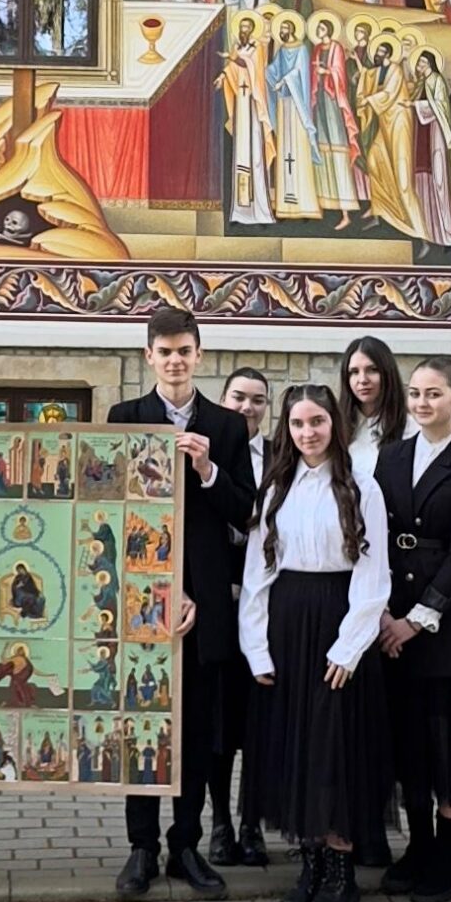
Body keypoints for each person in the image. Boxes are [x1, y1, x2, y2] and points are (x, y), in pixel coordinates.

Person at [109, 306, 258, 899]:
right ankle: (141, 847)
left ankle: (186, 844)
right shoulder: (126, 418)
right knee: (140, 720)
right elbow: (110, 512)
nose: (175, 361)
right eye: (164, 351)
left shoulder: (225, 424)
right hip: (144, 600)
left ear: (200, 355)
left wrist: (206, 470)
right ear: (149, 356)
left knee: (196, 728)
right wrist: (164, 590)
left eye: (184, 351)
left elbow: (243, 509)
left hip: (205, 607)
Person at [242, 385, 392, 902]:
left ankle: (340, 871)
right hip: (288, 624)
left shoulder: (361, 487)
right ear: (288, 428)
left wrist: (350, 647)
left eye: (318, 422)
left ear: (335, 426)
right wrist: (256, 648)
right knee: (296, 744)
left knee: (336, 748)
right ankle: (309, 863)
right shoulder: (276, 489)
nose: (309, 433)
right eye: (299, 423)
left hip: (339, 623)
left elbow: (374, 577)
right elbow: (257, 574)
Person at [374, 360, 451, 902]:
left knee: (447, 738)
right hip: (392, 610)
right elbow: (373, 531)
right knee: (407, 738)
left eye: (435, 394)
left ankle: (448, 850)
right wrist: (382, 613)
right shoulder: (392, 455)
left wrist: (417, 620)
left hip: (441, 622)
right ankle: (418, 843)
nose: (423, 403)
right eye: (416, 394)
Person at [207, 366, 274, 871]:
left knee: (258, 723)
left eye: (257, 400)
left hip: (268, 607)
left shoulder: (281, 457)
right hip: (216, 602)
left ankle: (253, 824)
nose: (247, 408)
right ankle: (220, 824)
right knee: (218, 721)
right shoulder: (203, 448)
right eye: (238, 397)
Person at [341, 333, 409, 476]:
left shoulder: (411, 429)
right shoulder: (336, 428)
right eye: (354, 372)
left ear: (387, 373)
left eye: (372, 370)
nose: (362, 380)